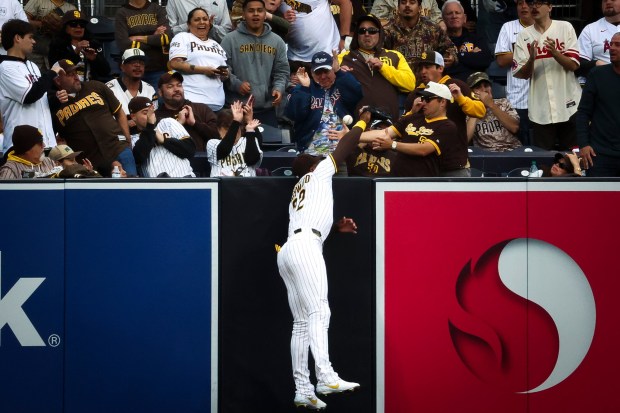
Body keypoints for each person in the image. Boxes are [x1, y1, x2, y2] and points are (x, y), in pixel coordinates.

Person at [276, 108, 371, 410]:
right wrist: (362, 122)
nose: (323, 160)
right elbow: (345, 147)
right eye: (318, 159)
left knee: (302, 323)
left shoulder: (299, 188)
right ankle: (326, 375)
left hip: (292, 247)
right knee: (320, 313)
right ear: (312, 166)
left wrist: (335, 228)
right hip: (305, 246)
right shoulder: (316, 173)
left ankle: (303, 389)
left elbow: (311, 223)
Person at [48, 59, 137, 176]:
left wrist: (127, 140)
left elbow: (119, 112)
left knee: (132, 188)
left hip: (118, 149)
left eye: (76, 73)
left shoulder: (95, 86)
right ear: (58, 80)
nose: (76, 77)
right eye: (70, 75)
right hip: (90, 161)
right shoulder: (53, 105)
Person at [512, 0, 581, 151]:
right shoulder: (524, 35)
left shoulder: (565, 27)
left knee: (573, 157)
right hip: (540, 108)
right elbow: (522, 75)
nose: (534, 6)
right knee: (543, 159)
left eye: (539, 2)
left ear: (550, 7)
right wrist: (531, 59)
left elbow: (574, 65)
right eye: (532, 3)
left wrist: (555, 53)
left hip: (568, 103)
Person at [411, 51, 486, 176]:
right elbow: (407, 124)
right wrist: (413, 111)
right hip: (424, 164)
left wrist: (461, 98)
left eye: (428, 67)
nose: (423, 71)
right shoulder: (416, 93)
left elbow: (480, 111)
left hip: (454, 163)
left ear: (440, 68)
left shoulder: (457, 86)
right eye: (420, 68)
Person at [220, 0, 289, 127]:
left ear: (265, 14)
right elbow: (223, 69)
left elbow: (282, 71)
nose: (255, 14)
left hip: (266, 109)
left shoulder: (277, 41)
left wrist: (278, 88)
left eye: (259, 10)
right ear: (244, 14)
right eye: (251, 11)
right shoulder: (229, 40)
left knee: (268, 145)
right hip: (237, 109)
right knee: (237, 146)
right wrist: (236, 84)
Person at [368, 82, 458, 176]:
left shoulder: (448, 126)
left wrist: (393, 144)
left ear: (442, 102)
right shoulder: (413, 117)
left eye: (427, 99)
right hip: (396, 179)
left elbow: (424, 150)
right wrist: (355, 135)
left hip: (422, 182)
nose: (423, 103)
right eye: (423, 99)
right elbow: (384, 133)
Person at [339, 14, 415, 119]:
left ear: (380, 33)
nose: (367, 34)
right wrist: (338, 74)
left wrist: (383, 67)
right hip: (356, 123)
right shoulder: (343, 57)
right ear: (357, 35)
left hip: (388, 124)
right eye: (362, 31)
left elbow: (410, 84)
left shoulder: (394, 55)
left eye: (372, 31)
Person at [286, 51, 362, 154]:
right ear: (312, 73)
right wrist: (304, 89)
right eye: (318, 72)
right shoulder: (304, 88)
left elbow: (357, 94)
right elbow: (294, 115)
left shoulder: (342, 82)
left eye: (326, 71)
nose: (323, 76)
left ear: (332, 69)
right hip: (310, 154)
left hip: (341, 153)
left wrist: (339, 72)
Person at [0, 19, 57, 153]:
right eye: (30, 37)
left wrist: (57, 99)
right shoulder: (5, 67)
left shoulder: (33, 66)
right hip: (22, 147)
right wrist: (52, 73)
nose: (34, 41)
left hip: (46, 142)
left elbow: (41, 101)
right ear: (18, 38)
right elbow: (29, 96)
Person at [576, 32, 620, 177]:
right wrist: (583, 144)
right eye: (611, 44)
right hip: (600, 154)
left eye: (617, 45)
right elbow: (583, 112)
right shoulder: (597, 74)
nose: (611, 48)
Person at [168, 7, 229, 112]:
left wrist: (224, 73)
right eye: (197, 20)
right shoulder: (182, 37)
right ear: (188, 24)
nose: (202, 22)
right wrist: (203, 70)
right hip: (191, 102)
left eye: (205, 19)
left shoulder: (216, 45)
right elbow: (175, 64)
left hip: (217, 104)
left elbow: (224, 77)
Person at [495, 0, 534, 145]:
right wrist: (532, 51)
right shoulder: (508, 27)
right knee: (520, 147)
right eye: (519, 3)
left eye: (527, 3)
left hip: (544, 100)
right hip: (518, 100)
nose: (523, 6)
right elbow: (501, 60)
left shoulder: (547, 28)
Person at [130, 96, 196, 178]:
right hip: (156, 185)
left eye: (152, 112)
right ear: (133, 116)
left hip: (184, 178)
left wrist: (165, 141)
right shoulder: (132, 138)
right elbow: (138, 158)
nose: (150, 116)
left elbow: (190, 150)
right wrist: (150, 127)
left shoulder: (168, 122)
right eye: (145, 112)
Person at [155, 71, 219, 152]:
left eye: (179, 85)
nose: (176, 89)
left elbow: (218, 136)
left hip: (202, 160)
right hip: (171, 162)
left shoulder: (201, 108)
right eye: (170, 86)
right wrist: (178, 124)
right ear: (160, 92)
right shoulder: (156, 117)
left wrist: (195, 123)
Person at [382, 0, 457, 70]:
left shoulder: (432, 28)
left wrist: (451, 56)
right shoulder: (388, 30)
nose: (407, 5)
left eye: (412, 2)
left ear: (419, 8)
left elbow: (450, 47)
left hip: (428, 81)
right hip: (398, 80)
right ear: (398, 8)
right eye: (403, 2)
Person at [115, 0, 172, 89]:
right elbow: (124, 44)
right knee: (130, 102)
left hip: (157, 69)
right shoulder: (122, 12)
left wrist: (138, 38)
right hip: (132, 69)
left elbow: (166, 39)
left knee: (157, 102)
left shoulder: (158, 9)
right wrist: (154, 37)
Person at [280, 0, 351, 71]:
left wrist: (344, 38)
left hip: (329, 53)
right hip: (295, 58)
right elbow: (270, 13)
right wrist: (282, 19)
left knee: (332, 81)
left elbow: (345, 3)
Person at [106, 48, 159, 135]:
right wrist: (125, 124)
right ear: (122, 67)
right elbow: (105, 121)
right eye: (133, 62)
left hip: (145, 136)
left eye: (141, 63)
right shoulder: (109, 89)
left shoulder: (150, 89)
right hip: (119, 138)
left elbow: (154, 118)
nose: (138, 66)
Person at [48, 10, 110, 82]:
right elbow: (56, 70)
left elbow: (106, 71)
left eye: (82, 24)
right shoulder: (57, 45)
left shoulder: (93, 44)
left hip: (89, 86)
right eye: (73, 24)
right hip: (66, 88)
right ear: (65, 27)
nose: (78, 27)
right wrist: (75, 52)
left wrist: (94, 59)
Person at [466, 72, 521, 151]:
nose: (484, 90)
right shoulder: (468, 111)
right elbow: (465, 140)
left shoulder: (503, 103)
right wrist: (476, 108)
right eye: (478, 87)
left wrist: (491, 105)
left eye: (486, 86)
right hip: (486, 155)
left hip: (511, 150)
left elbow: (514, 127)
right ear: (471, 92)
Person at [207, 100, 263, 176]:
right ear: (219, 129)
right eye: (227, 128)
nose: (234, 132)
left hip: (247, 186)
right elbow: (223, 151)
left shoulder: (249, 140)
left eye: (237, 128)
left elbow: (252, 160)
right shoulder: (212, 143)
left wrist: (249, 124)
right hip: (221, 186)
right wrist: (236, 121)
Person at [443, 0, 494, 82]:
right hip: (448, 86)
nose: (454, 16)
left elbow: (485, 60)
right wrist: (470, 56)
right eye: (449, 13)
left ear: (465, 18)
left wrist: (456, 57)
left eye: (457, 13)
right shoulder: (439, 41)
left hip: (474, 86)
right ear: (443, 19)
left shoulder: (476, 38)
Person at [23, 0, 76, 70]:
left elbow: (75, 28)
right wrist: (41, 24)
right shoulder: (36, 1)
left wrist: (61, 27)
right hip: (36, 50)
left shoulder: (71, 8)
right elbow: (23, 20)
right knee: (33, 76)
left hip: (58, 51)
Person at [577, 0, 620, 84]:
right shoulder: (590, 29)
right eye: (604, 0)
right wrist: (596, 63)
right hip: (602, 82)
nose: (608, 2)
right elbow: (578, 65)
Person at [166, 0, 233, 42]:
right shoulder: (174, 1)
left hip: (215, 52)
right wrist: (190, 25)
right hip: (186, 51)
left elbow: (226, 34)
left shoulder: (221, 1)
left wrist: (211, 27)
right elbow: (170, 33)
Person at [372, 0, 445, 29]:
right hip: (396, 40)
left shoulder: (430, 0)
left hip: (424, 40)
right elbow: (374, 23)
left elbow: (439, 22)